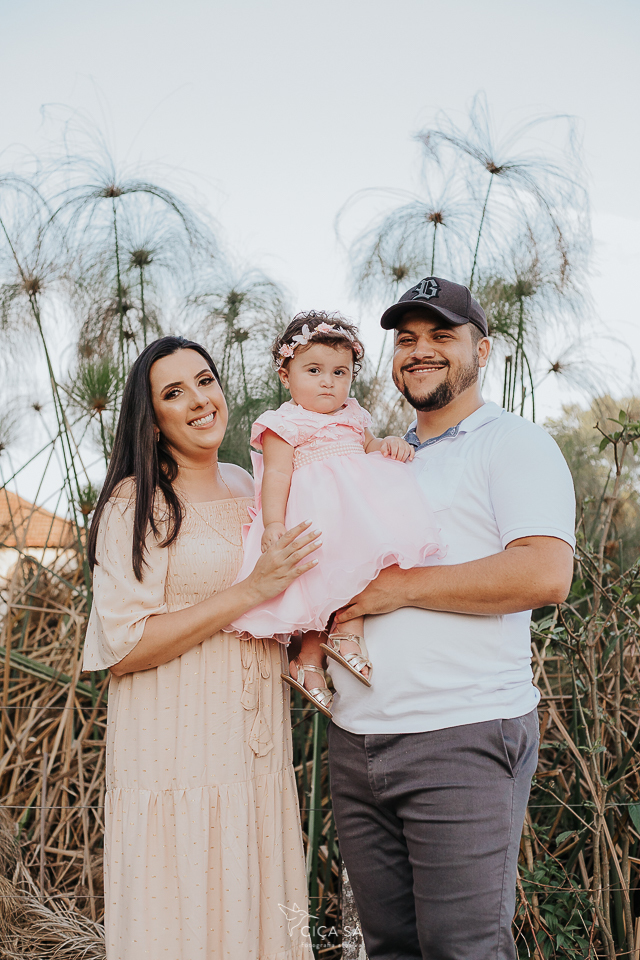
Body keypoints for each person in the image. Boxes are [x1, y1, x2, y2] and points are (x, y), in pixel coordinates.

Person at [326, 278, 576, 960]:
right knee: (390, 950)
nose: (420, 350)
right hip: (357, 741)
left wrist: (399, 590)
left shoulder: (513, 443)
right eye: (406, 339)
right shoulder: (381, 459)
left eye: (442, 335)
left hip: (460, 735)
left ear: (482, 350)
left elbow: (544, 573)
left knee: (464, 949)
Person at [83, 336, 319, 960]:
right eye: (174, 392)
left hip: (254, 751)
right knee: (183, 914)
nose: (198, 400)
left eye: (205, 380)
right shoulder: (136, 503)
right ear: (152, 420)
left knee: (254, 911)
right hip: (175, 755)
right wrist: (249, 591)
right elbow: (123, 645)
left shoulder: (249, 484)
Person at [228, 311, 442, 715]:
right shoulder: (284, 423)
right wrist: (273, 523)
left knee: (357, 575)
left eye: (339, 372)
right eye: (314, 370)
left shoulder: (353, 415)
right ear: (285, 376)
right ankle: (310, 660)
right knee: (317, 592)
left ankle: (340, 637)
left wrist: (388, 444)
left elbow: (369, 446)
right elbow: (275, 475)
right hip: (314, 520)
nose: (328, 381)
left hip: (353, 517)